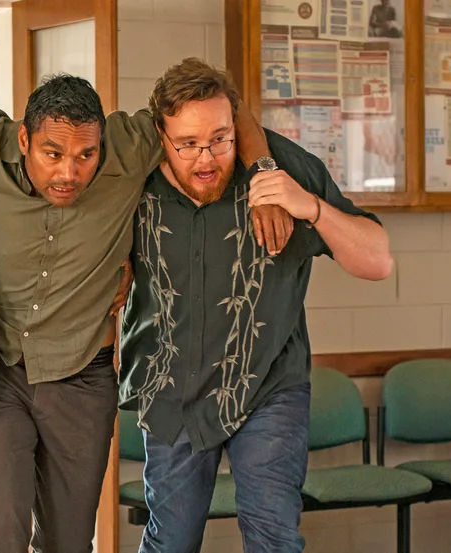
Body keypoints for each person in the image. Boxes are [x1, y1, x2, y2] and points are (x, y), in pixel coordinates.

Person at [0, 71, 291, 553]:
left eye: (87, 154)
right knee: (0, 533)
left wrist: (265, 175)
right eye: (53, 153)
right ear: (24, 138)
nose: (70, 173)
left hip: (83, 379)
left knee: (68, 540)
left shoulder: (131, 143)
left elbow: (229, 102)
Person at [119, 58, 394, 553]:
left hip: (268, 383)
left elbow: (377, 261)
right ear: (160, 132)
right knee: (170, 542)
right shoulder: (134, 178)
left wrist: (310, 206)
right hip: (171, 389)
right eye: (187, 144)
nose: (206, 158)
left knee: (273, 539)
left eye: (221, 139)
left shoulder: (282, 167)